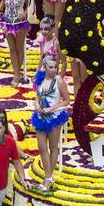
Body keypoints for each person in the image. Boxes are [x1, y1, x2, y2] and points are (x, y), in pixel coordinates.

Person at [29, 52, 70, 191]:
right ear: (45, 67)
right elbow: (37, 96)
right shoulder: (40, 79)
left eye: (55, 67)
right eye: (51, 67)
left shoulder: (59, 81)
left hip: (54, 117)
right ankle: (48, 177)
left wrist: (52, 108)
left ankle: (48, 178)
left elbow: (67, 100)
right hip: (41, 116)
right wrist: (37, 105)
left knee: (53, 147)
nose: (54, 70)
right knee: (41, 147)